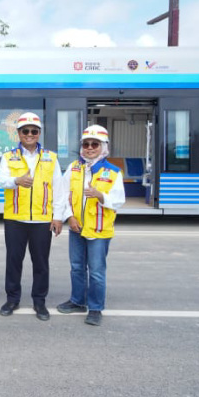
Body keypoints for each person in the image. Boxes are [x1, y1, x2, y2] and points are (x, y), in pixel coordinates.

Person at [0, 112, 65, 320]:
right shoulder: (9, 157)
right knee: (14, 262)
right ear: (18, 133)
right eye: (25, 131)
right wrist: (16, 180)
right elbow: (1, 180)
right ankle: (12, 299)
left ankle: (39, 301)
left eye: (33, 131)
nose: (29, 134)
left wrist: (58, 216)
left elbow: (59, 189)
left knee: (41, 263)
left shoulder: (51, 158)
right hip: (15, 219)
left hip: (42, 220)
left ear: (39, 133)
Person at [56, 125, 125, 326]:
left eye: (95, 144)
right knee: (77, 267)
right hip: (77, 228)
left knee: (96, 271)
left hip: (99, 230)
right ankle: (78, 301)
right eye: (86, 144)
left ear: (103, 147)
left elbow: (119, 200)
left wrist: (100, 195)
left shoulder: (112, 172)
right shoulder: (74, 168)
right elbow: (64, 194)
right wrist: (69, 217)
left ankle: (95, 308)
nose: (89, 147)